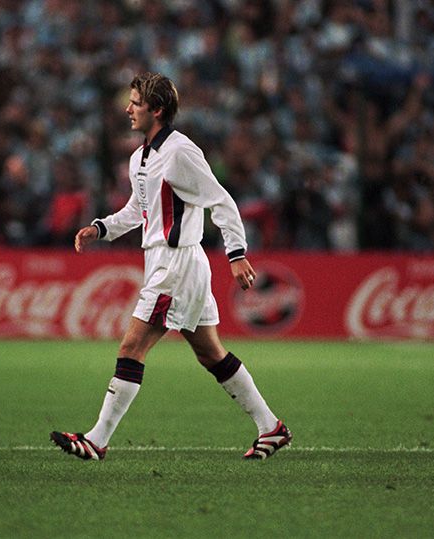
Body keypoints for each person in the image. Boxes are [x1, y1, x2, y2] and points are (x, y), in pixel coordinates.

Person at [50, 72, 291, 461]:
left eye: (135, 103)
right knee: (210, 353)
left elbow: (221, 200)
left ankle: (96, 439)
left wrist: (236, 253)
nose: (128, 109)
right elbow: (138, 210)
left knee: (132, 347)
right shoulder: (141, 156)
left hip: (176, 265)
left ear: (157, 110)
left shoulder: (180, 152)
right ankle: (271, 428)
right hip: (168, 262)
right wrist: (101, 228)